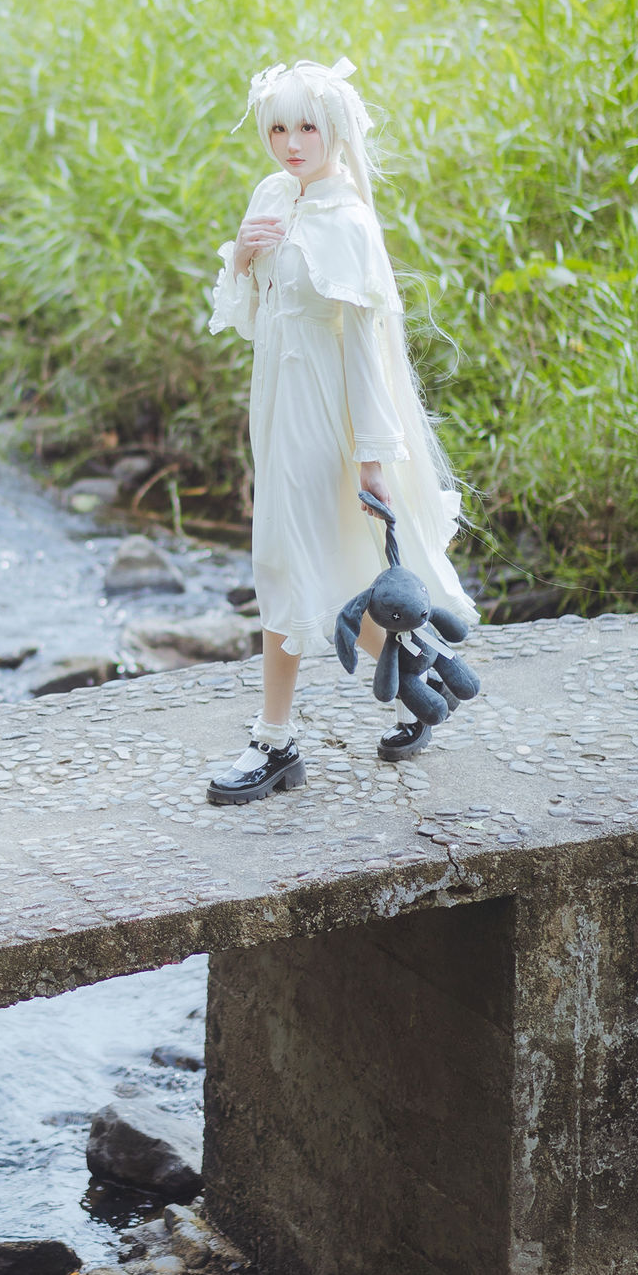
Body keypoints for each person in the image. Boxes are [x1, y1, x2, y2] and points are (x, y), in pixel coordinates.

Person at [204, 56, 476, 803]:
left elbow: (367, 352)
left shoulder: (349, 221)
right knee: (312, 569)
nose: (292, 143)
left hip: (327, 420)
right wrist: (244, 253)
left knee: (300, 566)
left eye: (307, 127)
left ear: (336, 129)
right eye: (279, 127)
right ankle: (421, 687)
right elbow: (254, 320)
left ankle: (275, 741)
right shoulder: (272, 196)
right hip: (278, 408)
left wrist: (373, 460)